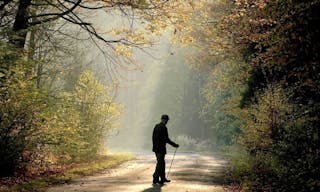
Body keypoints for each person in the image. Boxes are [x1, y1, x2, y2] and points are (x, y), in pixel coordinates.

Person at [152, 114, 179, 184]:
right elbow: (166, 139)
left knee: (162, 163)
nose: (167, 122)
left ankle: (162, 178)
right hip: (161, 149)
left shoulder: (156, 126)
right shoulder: (163, 128)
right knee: (160, 163)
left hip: (156, 148)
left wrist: (154, 146)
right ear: (165, 120)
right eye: (166, 120)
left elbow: (153, 138)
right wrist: (174, 145)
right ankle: (155, 177)